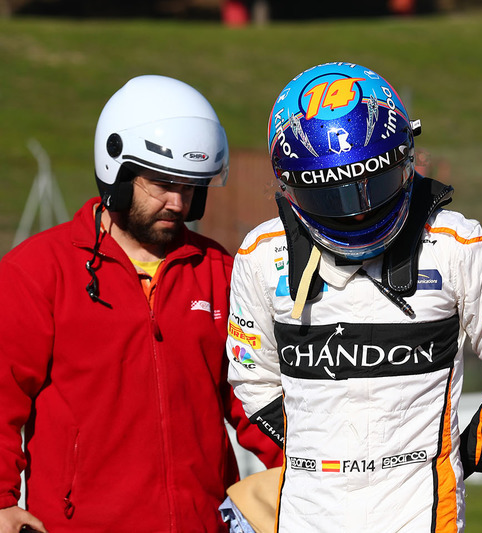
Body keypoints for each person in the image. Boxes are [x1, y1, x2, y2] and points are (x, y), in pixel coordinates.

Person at [224, 62, 482, 532]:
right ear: (289, 186)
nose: (358, 213)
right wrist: (318, 456)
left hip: (421, 517)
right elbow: (253, 382)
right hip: (305, 517)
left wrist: (459, 460)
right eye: (332, 197)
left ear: (407, 158)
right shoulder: (260, 257)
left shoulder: (459, 246)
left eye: (371, 186)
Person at [0, 75, 282, 533]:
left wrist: (311, 472)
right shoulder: (37, 272)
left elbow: (256, 396)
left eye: (191, 186)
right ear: (116, 170)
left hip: (205, 524)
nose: (178, 201)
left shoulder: (221, 272)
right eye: (162, 183)